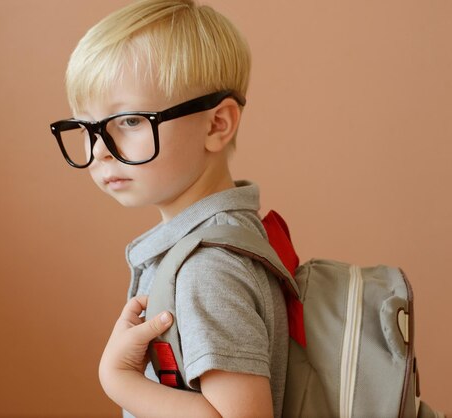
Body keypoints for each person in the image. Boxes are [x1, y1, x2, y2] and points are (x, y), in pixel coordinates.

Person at [49, 0, 288, 416]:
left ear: (217, 124)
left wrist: (119, 381)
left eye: (128, 121)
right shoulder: (226, 238)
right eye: (87, 126)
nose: (100, 151)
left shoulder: (207, 268)